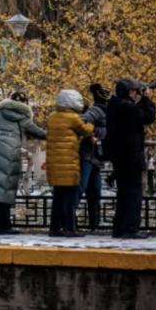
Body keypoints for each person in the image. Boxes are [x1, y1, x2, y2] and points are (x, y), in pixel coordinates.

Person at [0, 91, 46, 235]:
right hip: (9, 155)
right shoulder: (23, 119)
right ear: (25, 105)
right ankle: (3, 226)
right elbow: (39, 133)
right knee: (4, 188)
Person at [106, 79, 156, 238]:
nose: (136, 94)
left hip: (119, 156)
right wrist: (146, 99)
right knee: (133, 193)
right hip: (131, 156)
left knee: (123, 193)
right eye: (135, 91)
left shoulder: (114, 105)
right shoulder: (127, 107)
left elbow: (136, 113)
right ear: (129, 92)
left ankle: (119, 228)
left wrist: (141, 101)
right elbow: (148, 117)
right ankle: (130, 229)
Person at [47, 89, 94, 237]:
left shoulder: (52, 117)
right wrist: (91, 124)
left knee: (57, 197)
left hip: (55, 164)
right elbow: (86, 131)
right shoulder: (73, 118)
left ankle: (54, 228)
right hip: (68, 164)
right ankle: (70, 228)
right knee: (70, 199)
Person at [79, 83, 109, 230]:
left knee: (95, 191)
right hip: (88, 155)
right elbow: (81, 121)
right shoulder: (96, 110)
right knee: (80, 188)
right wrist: (91, 134)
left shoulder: (106, 110)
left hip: (96, 157)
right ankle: (68, 223)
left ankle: (94, 223)